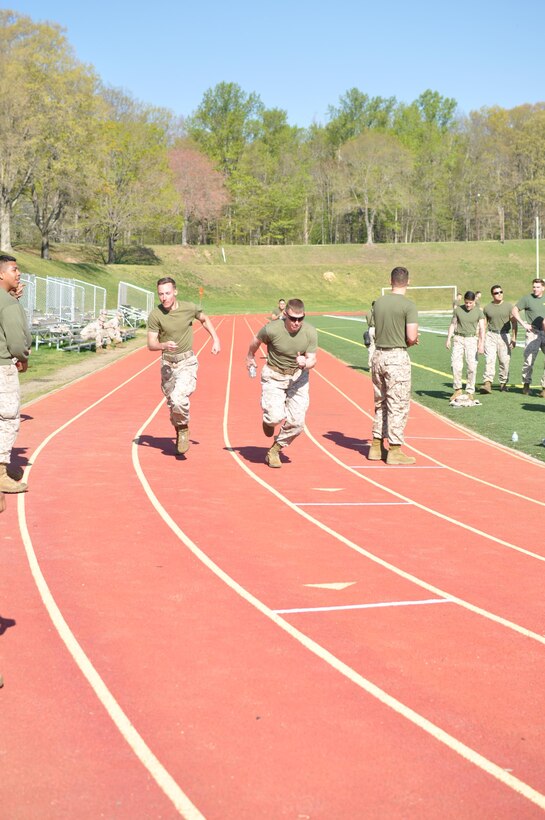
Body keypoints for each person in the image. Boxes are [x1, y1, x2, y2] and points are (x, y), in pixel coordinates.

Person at [147, 277, 220, 455]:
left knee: (179, 398)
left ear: (175, 292)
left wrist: (215, 339)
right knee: (172, 402)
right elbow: (151, 344)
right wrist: (163, 345)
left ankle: (183, 429)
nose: (164, 298)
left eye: (167, 293)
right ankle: (180, 428)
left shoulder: (189, 308)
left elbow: (204, 319)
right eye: (161, 294)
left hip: (187, 362)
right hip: (167, 364)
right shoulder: (155, 315)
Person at [246, 299, 317, 468]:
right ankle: (268, 421)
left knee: (298, 423)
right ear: (285, 315)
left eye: (300, 319)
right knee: (275, 417)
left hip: (298, 377)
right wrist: (249, 357)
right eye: (293, 318)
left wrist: (304, 363)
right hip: (274, 375)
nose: (296, 323)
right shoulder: (271, 329)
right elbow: (256, 341)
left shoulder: (310, 332)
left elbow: (313, 359)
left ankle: (275, 449)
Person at [367, 267, 419, 465]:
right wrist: (412, 341)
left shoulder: (379, 303)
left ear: (390, 281)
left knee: (380, 402)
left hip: (378, 354)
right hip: (396, 356)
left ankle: (375, 445)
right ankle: (395, 449)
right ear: (408, 281)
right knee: (397, 404)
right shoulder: (409, 305)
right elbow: (411, 336)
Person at [0, 254, 31, 501]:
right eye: (14, 269)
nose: (18, 274)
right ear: (1, 274)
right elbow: (17, 341)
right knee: (7, 418)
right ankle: (0, 472)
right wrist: (23, 356)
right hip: (3, 368)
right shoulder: (9, 304)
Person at [446, 291, 485, 398]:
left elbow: (482, 329)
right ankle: (457, 389)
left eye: (470, 303)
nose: (468, 305)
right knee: (455, 365)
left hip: (472, 339)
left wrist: (481, 344)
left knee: (472, 366)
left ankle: (469, 391)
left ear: (474, 301)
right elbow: (453, 324)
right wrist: (448, 339)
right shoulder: (458, 310)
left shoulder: (479, 312)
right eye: (466, 303)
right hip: (458, 339)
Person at [511, 278, 545, 396]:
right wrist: (523, 323)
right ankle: (526, 385)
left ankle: (544, 388)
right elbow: (514, 310)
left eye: (538, 287)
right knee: (529, 360)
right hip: (533, 332)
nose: (535, 289)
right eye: (534, 287)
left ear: (543, 288)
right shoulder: (527, 299)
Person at [480, 285, 517, 393]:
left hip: (504, 335)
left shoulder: (509, 306)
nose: (499, 294)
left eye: (501, 292)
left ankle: (503, 383)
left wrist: (513, 338)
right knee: (489, 360)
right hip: (491, 335)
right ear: (492, 295)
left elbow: (514, 323)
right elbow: (485, 324)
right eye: (496, 293)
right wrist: (481, 339)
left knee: (504, 361)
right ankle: (487, 383)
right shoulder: (487, 308)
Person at [363, 301, 376, 368]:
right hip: (377, 329)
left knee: (371, 348)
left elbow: (367, 320)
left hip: (370, 329)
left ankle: (370, 365)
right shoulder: (379, 312)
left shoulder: (368, 312)